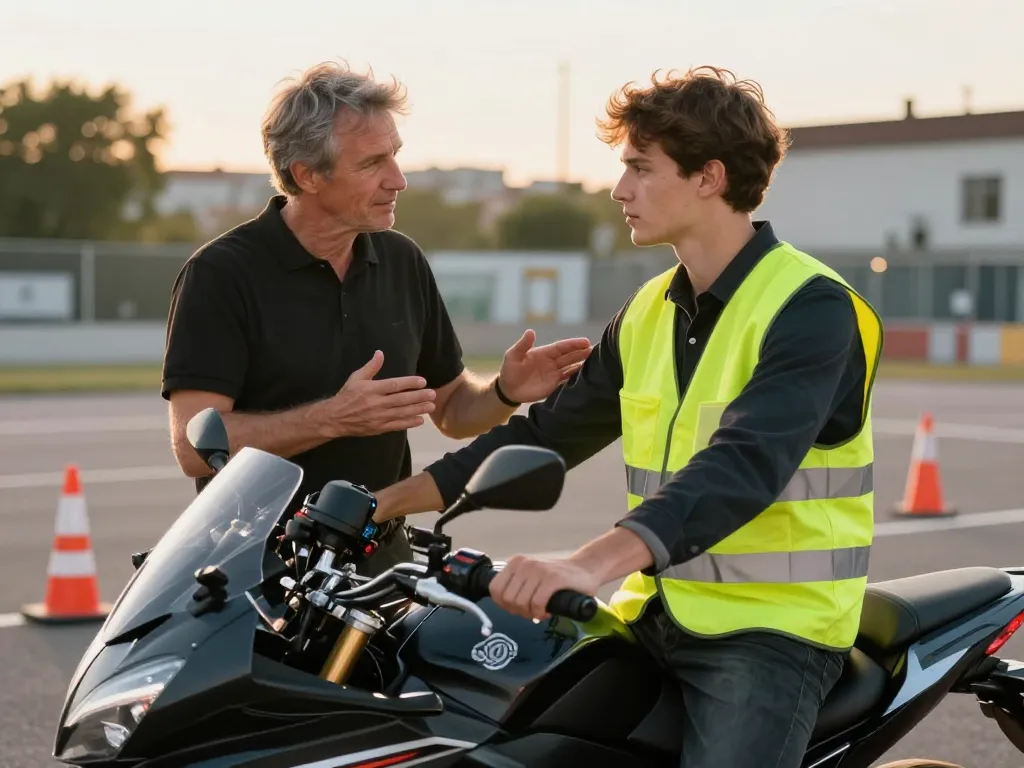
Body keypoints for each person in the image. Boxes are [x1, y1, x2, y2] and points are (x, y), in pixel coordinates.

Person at [369, 65, 884, 768]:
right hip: (654, 611)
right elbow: (545, 434)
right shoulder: (648, 311)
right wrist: (383, 507)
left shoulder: (813, 307)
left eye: (640, 169)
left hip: (772, 632)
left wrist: (586, 565)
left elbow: (743, 464)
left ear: (708, 177)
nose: (620, 190)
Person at [160, 60, 592, 576]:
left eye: (396, 157)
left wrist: (504, 390)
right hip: (252, 574)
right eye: (372, 164)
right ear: (307, 175)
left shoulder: (401, 260)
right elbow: (193, 447)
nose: (399, 179)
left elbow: (452, 410)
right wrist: (333, 417)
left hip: (376, 566)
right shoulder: (221, 274)